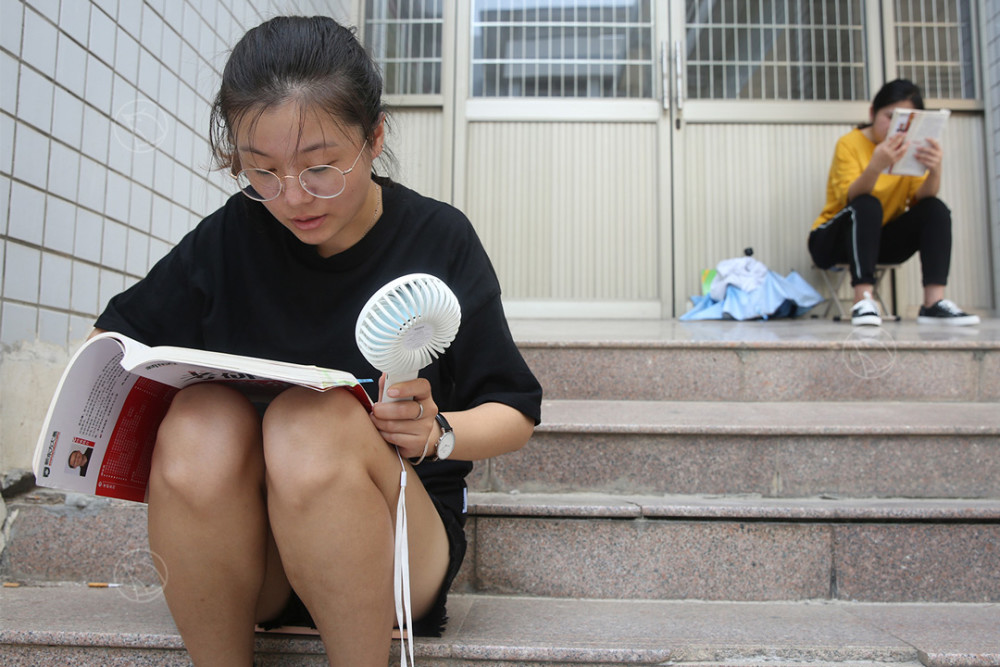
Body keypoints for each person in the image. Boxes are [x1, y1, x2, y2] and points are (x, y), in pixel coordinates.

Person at [90, 15, 542, 666]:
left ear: (375, 136)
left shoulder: (438, 238)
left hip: (396, 549)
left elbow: (514, 411)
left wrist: (437, 431)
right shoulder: (235, 233)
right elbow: (113, 344)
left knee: (313, 420)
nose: (294, 197)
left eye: (321, 167)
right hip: (261, 558)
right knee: (197, 419)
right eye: (263, 171)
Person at [808, 78, 980, 327]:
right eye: (890, 117)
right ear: (872, 113)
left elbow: (921, 198)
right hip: (833, 241)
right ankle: (863, 299)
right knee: (867, 204)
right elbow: (851, 198)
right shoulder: (849, 143)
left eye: (908, 120)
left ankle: (933, 303)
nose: (896, 128)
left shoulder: (910, 149)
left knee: (936, 209)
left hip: (878, 242)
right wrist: (876, 165)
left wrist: (935, 170)